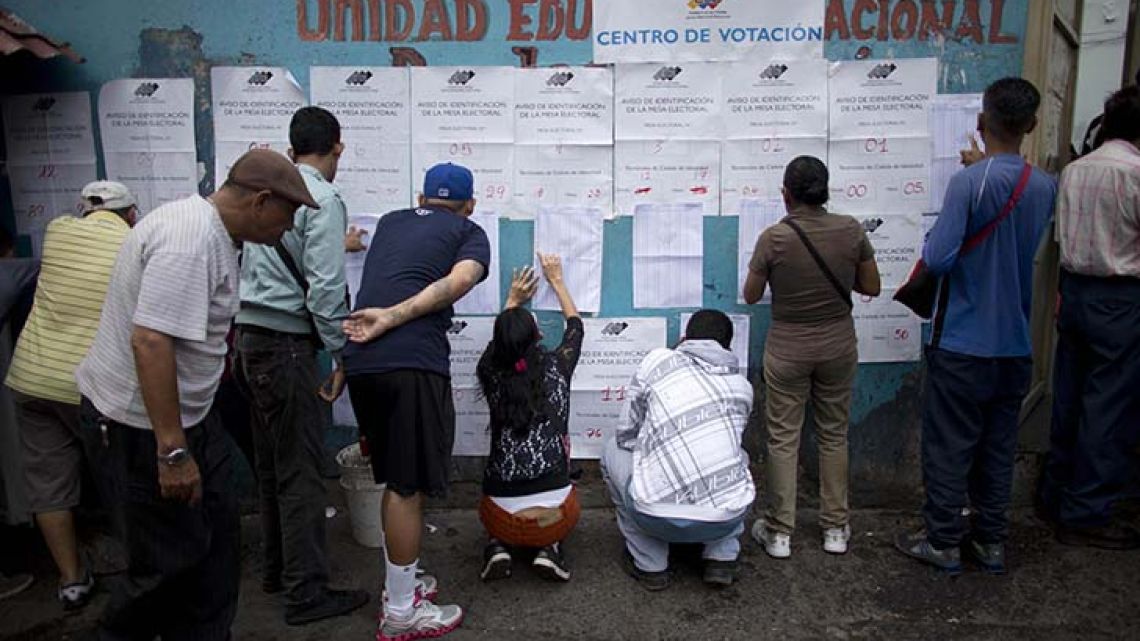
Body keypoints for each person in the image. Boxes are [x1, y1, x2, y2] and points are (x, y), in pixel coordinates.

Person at [74, 149, 320, 640]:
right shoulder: (190, 240)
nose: (288, 228)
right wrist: (173, 451)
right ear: (261, 201)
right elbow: (151, 340)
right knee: (164, 566)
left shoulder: (213, 233)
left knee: (215, 546)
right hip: (143, 428)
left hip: (186, 420)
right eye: (287, 215)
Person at [895, 78, 1057, 575]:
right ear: (1030, 126)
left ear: (982, 123)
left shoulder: (969, 183)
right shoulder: (1045, 186)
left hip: (962, 341)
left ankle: (943, 539)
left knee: (949, 444)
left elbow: (939, 257)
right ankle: (990, 541)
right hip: (1014, 342)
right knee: (998, 444)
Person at [343, 162, 490, 641]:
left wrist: (345, 361)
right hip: (410, 363)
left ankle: (402, 581)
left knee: (396, 480)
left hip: (363, 362)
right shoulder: (469, 231)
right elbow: (461, 281)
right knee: (406, 487)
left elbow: (381, 279)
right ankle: (402, 613)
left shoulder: (390, 221)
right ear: (469, 204)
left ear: (421, 197)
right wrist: (393, 318)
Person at [235, 107, 367, 624]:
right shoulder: (324, 198)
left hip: (249, 341)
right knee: (302, 474)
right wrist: (342, 353)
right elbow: (327, 288)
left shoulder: (267, 192)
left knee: (271, 468)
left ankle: (276, 571)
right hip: (288, 348)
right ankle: (306, 592)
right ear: (338, 147)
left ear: (291, 151)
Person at [4, 182, 137, 611]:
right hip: (87, 384)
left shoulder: (57, 231)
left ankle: (71, 580)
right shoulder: (131, 241)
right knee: (121, 477)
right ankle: (140, 566)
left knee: (49, 484)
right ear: (130, 213)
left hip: (31, 378)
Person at [742, 156, 881, 559]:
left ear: (786, 195)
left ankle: (780, 531)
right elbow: (870, 285)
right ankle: (835, 528)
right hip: (838, 344)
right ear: (826, 191)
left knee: (783, 438)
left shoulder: (774, 238)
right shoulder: (851, 230)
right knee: (834, 433)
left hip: (788, 348)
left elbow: (751, 294)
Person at [1040, 85, 1140, 550]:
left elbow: (1061, 236)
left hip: (1075, 290)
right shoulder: (1135, 173)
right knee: (1109, 406)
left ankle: (1054, 493)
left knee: (1070, 396)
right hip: (1120, 297)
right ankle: (1085, 512)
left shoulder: (1076, 171)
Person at [600, 310, 755, 591]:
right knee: (739, 457)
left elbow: (625, 433)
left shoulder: (657, 361)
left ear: (683, 339)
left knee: (612, 449)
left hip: (654, 514)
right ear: (728, 347)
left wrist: (649, 451)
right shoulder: (743, 387)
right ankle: (721, 558)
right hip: (724, 518)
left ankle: (650, 564)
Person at [477, 254, 582, 583]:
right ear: (538, 336)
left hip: (498, 514)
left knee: (501, 508)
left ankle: (498, 545)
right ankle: (548, 546)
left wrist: (512, 300)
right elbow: (576, 328)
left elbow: (499, 345)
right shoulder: (557, 367)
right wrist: (558, 281)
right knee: (554, 510)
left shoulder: (490, 373)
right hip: (556, 513)